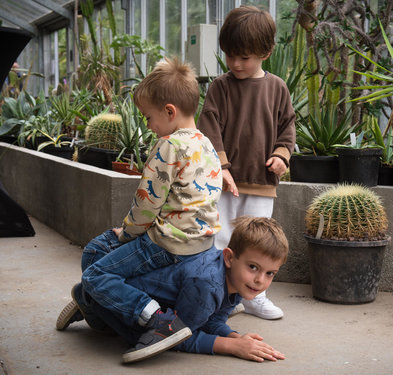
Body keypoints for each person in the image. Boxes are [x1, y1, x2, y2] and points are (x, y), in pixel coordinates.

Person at [56, 57, 223, 359]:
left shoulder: (168, 145)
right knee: (98, 258)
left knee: (94, 273)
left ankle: (156, 318)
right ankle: (94, 310)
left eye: (148, 117)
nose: (147, 125)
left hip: (167, 242)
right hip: (202, 241)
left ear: (169, 112)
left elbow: (147, 203)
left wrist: (128, 233)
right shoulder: (207, 143)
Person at [58, 216, 288, 364]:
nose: (259, 280)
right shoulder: (207, 284)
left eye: (270, 273)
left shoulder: (237, 281)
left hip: (154, 294)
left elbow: (213, 317)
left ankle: (92, 299)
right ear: (229, 257)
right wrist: (231, 346)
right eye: (253, 267)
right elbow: (176, 336)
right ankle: (87, 298)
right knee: (142, 336)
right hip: (127, 290)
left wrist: (233, 335)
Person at [197, 5, 296, 320]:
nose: (235, 63)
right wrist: (222, 168)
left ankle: (254, 297)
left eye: (244, 57)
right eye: (229, 55)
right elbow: (209, 127)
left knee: (257, 244)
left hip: (260, 183)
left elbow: (287, 127)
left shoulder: (277, 88)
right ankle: (216, 296)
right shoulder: (220, 87)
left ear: (266, 52)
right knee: (221, 239)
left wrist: (282, 155)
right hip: (224, 183)